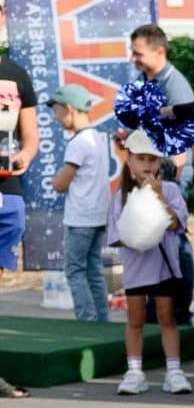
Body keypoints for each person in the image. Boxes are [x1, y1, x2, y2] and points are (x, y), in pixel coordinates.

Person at [106, 134, 193, 394]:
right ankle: (134, 371)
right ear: (129, 161)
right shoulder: (120, 195)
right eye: (140, 158)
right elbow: (116, 236)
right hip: (136, 267)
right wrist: (136, 236)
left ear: (159, 163)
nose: (146, 164)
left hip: (162, 267)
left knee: (167, 317)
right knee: (135, 319)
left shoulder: (171, 190)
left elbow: (177, 224)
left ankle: (174, 371)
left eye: (151, 159)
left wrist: (158, 197)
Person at [128, 21, 194, 328]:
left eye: (138, 53)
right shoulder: (145, 79)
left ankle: (180, 311)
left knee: (176, 238)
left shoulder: (175, 85)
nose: (134, 58)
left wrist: (169, 179)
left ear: (159, 51)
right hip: (152, 170)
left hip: (170, 173)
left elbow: (185, 134)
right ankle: (159, 309)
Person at [49, 85, 114, 323]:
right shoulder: (97, 138)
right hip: (98, 214)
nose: (56, 118)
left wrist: (55, 179)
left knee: (75, 270)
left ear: (68, 109)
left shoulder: (77, 143)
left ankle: (86, 320)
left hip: (80, 218)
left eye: (57, 111)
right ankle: (101, 321)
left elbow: (61, 183)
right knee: (94, 269)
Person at [0, 0, 40, 278]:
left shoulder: (16, 74)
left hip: (6, 179)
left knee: (12, 226)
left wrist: (26, 153)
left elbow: (31, 135)